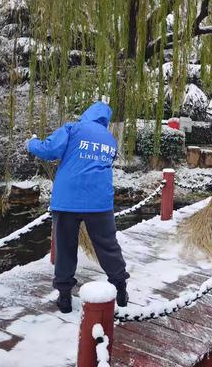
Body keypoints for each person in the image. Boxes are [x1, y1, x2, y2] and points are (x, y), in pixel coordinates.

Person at [26, 101, 129, 313]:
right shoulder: (110, 139)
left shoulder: (73, 128)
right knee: (108, 246)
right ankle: (120, 287)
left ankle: (64, 297)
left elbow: (50, 150)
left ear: (87, 114)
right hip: (100, 202)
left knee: (65, 247)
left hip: (67, 201)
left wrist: (31, 143)